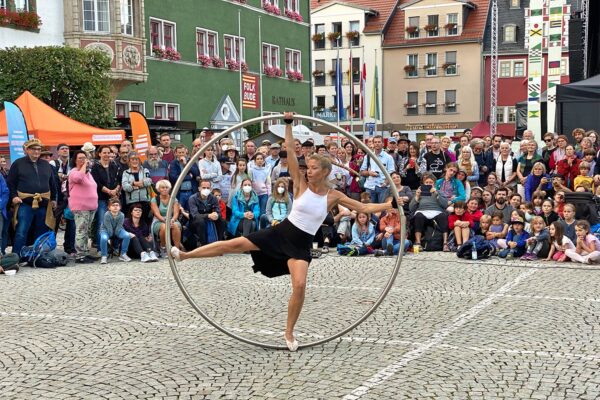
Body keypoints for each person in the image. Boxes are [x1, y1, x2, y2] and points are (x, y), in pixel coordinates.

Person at [171, 112, 394, 351]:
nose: (309, 171)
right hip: (280, 233)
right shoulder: (299, 183)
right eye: (308, 167)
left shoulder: (333, 196)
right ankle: (186, 255)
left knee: (299, 285)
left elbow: (363, 207)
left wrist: (389, 205)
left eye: (314, 168)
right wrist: (289, 125)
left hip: (300, 245)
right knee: (233, 245)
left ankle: (289, 332)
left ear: (325, 172)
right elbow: (289, 148)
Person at [7, 139, 57, 255]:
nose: (37, 151)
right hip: (25, 203)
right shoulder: (18, 164)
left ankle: (37, 255)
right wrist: (14, 196)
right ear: (27, 150)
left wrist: (54, 199)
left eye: (39, 149)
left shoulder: (46, 164)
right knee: (21, 230)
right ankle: (16, 256)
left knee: (42, 230)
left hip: (43, 203)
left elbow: (52, 183)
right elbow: (10, 183)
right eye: (34, 149)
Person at [68, 150, 99, 264]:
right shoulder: (74, 172)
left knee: (86, 231)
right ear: (75, 160)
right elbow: (78, 179)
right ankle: (80, 255)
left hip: (91, 207)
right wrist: (85, 165)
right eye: (80, 158)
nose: (83, 160)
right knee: (81, 231)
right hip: (81, 207)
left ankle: (85, 252)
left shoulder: (88, 173)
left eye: (84, 158)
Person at [91, 145, 121, 251]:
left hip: (113, 198)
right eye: (104, 152)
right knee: (101, 222)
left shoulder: (114, 165)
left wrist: (116, 190)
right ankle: (101, 248)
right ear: (99, 154)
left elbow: (119, 180)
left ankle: (115, 246)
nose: (107, 155)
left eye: (108, 152)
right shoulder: (95, 167)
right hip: (101, 198)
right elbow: (96, 183)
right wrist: (109, 191)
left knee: (116, 221)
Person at [409, 173, 450, 251]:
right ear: (424, 183)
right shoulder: (419, 193)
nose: (428, 184)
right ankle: (418, 242)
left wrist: (436, 194)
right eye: (427, 182)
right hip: (422, 211)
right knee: (418, 216)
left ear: (434, 183)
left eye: (430, 182)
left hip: (437, 212)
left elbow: (445, 205)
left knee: (443, 216)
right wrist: (417, 196)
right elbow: (411, 208)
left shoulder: (439, 192)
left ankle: (445, 243)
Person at [187, 180, 225, 248]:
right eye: (204, 187)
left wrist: (216, 215)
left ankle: (218, 244)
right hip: (195, 222)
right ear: (199, 188)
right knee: (200, 221)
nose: (206, 189)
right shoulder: (193, 198)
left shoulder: (213, 198)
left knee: (222, 221)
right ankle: (204, 246)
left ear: (210, 189)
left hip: (210, 219)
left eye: (208, 188)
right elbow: (195, 215)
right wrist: (208, 215)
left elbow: (218, 212)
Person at [150, 180, 183, 257]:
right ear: (158, 189)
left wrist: (172, 220)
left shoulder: (174, 199)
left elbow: (176, 213)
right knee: (164, 227)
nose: (165, 189)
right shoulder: (154, 200)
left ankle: (176, 250)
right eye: (162, 187)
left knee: (175, 225)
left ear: (170, 189)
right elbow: (156, 214)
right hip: (159, 220)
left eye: (167, 187)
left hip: (172, 219)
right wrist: (166, 221)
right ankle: (163, 248)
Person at [99, 198, 132, 264]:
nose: (115, 207)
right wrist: (111, 236)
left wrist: (116, 234)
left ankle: (123, 254)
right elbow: (108, 227)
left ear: (120, 207)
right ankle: (104, 256)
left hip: (118, 229)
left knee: (127, 235)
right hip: (105, 230)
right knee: (104, 238)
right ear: (109, 207)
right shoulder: (107, 214)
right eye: (113, 205)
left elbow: (119, 226)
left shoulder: (121, 215)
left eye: (117, 205)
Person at [121, 153, 152, 222]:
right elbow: (125, 187)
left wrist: (133, 184)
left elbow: (149, 181)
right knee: (133, 222)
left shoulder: (145, 170)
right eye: (132, 159)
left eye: (136, 159)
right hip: (131, 202)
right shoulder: (125, 173)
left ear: (139, 160)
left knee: (145, 221)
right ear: (129, 161)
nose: (135, 161)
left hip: (145, 201)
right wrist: (135, 184)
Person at [168, 144, 200, 211]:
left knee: (191, 211)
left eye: (183, 152)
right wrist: (189, 177)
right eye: (179, 153)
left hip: (191, 192)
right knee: (180, 211)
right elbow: (174, 178)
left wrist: (186, 164)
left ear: (186, 152)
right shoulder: (173, 163)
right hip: (180, 193)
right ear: (176, 153)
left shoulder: (191, 161)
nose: (181, 154)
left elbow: (196, 173)